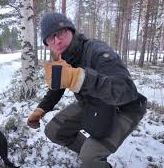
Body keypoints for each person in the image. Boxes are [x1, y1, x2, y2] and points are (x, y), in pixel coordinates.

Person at [27, 12, 147, 168]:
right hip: (93, 102)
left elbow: (125, 90)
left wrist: (80, 79)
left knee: (90, 158)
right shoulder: (61, 58)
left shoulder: (97, 50)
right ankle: (90, 157)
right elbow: (57, 88)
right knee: (54, 131)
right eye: (50, 38)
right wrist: (41, 108)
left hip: (125, 107)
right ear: (47, 43)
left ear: (71, 30)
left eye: (60, 33)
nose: (57, 40)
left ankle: (92, 159)